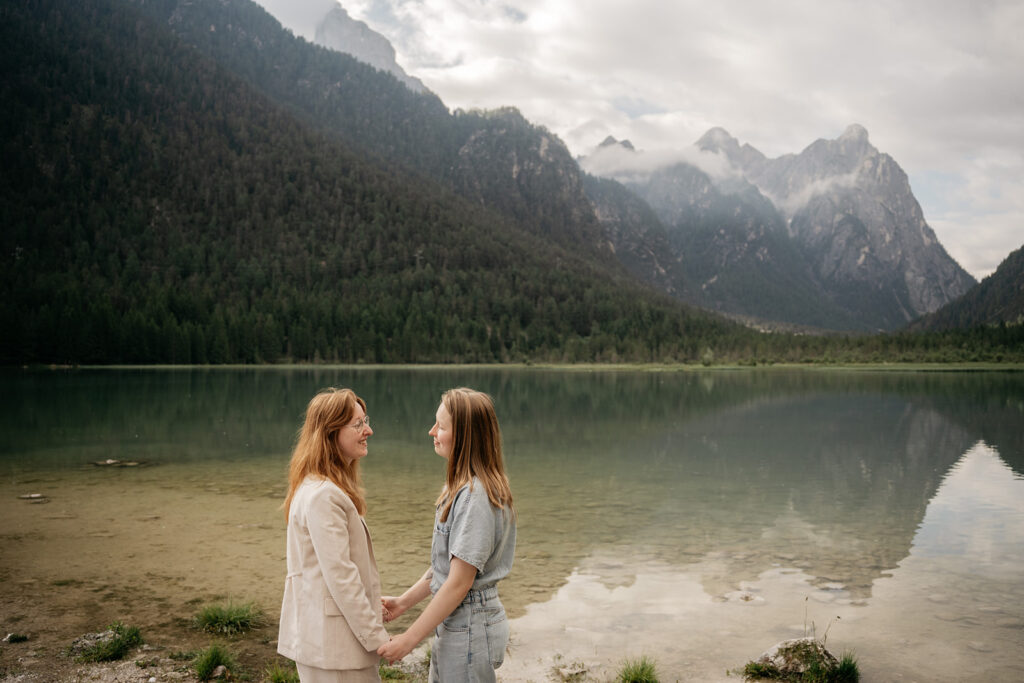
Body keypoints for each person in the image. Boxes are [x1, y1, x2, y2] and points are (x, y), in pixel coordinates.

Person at [377, 387, 516, 682]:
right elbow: (446, 567)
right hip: (461, 621)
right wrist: (403, 603)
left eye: (440, 426)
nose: (431, 431)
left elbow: (458, 583)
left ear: (465, 435)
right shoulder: (461, 488)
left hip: (471, 625)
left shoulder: (475, 496)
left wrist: (409, 640)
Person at [278, 388, 389, 682]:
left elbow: (323, 573)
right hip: (335, 650)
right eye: (358, 424)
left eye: (366, 420)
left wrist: (372, 603)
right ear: (330, 433)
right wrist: (378, 638)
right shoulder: (323, 496)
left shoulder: (316, 487)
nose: (369, 430)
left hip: (328, 644)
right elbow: (341, 577)